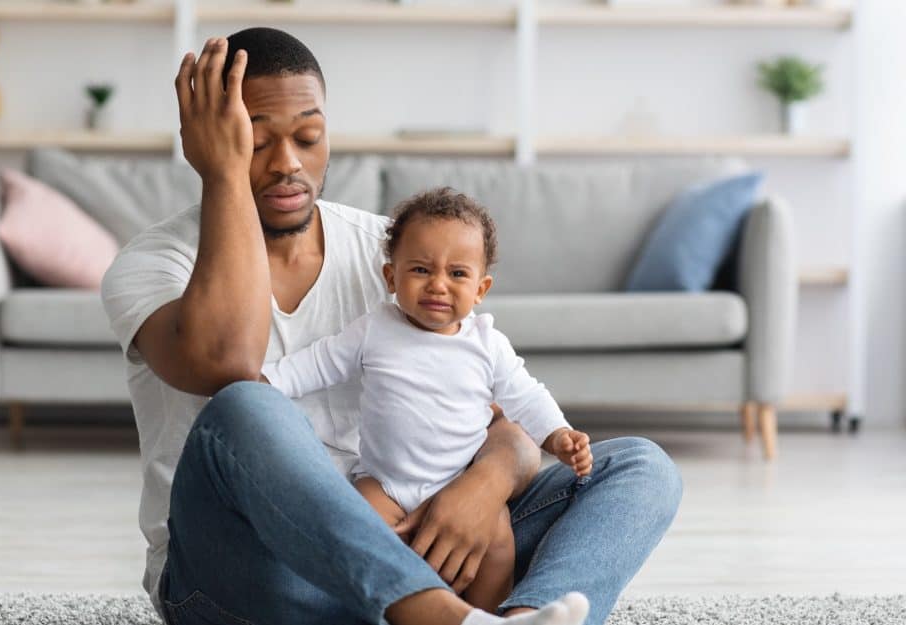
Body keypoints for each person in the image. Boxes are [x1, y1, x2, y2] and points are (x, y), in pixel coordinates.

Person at [100, 26, 683, 625]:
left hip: (410, 541)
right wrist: (222, 176)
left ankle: (517, 619)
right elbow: (227, 360)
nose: (288, 164)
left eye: (308, 137)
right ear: (209, 141)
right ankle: (433, 615)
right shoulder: (152, 266)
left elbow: (498, 419)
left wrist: (482, 488)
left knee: (641, 467)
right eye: (254, 143)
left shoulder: (400, 259)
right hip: (250, 574)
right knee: (246, 404)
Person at [261, 187, 596, 613]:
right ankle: (402, 611)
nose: (438, 284)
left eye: (457, 274)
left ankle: (489, 616)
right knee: (356, 527)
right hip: (386, 485)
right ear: (390, 277)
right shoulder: (374, 330)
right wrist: (264, 382)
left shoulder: (486, 343)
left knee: (498, 543)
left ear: (480, 288)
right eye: (420, 269)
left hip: (461, 484)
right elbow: (316, 364)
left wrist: (559, 435)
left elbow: (526, 395)